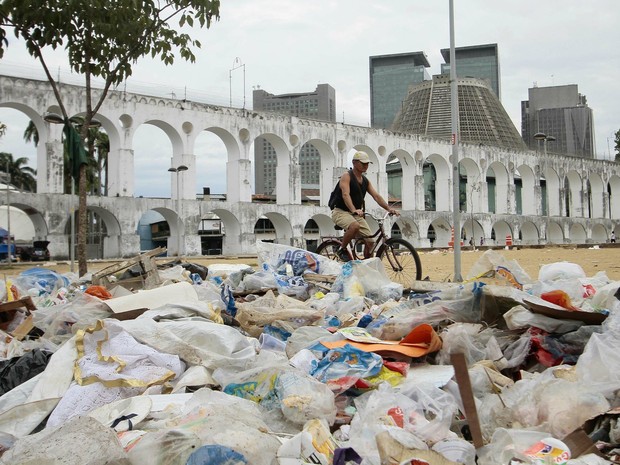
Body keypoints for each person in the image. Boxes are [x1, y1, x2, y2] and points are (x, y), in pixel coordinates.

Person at [331, 150, 399, 261]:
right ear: (354, 163)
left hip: (355, 214)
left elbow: (376, 196)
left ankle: (366, 264)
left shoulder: (365, 180)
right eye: (363, 163)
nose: (366, 166)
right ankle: (341, 249)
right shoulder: (346, 176)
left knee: (370, 242)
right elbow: (345, 194)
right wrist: (354, 210)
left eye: (367, 163)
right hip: (340, 212)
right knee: (354, 226)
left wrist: (389, 208)